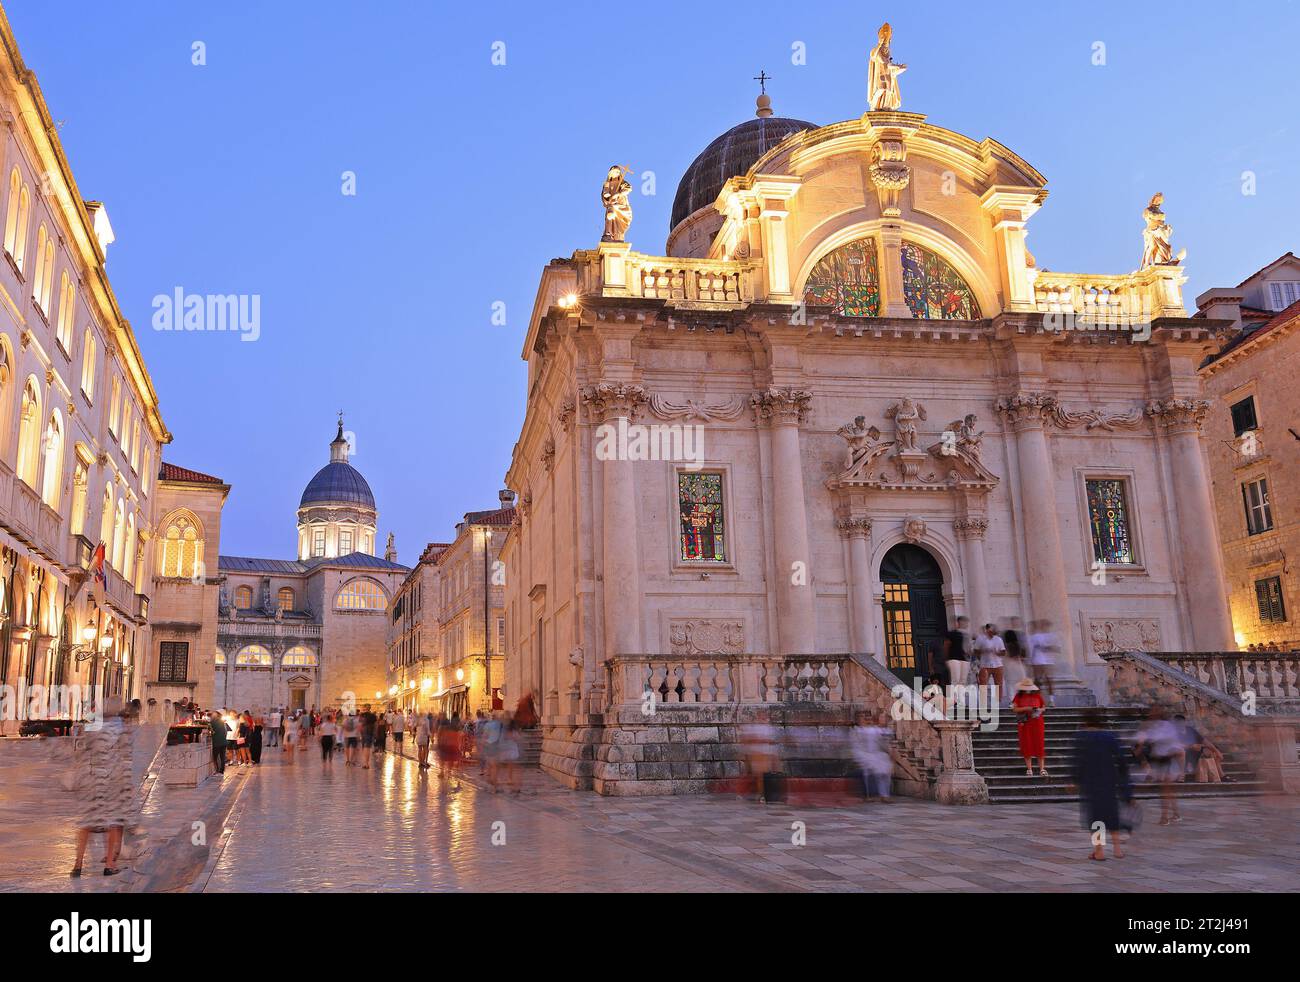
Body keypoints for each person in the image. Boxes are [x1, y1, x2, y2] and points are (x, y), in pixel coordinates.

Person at [71, 698, 143, 878]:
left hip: (92, 779)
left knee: (87, 823)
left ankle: (78, 865)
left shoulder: (94, 727)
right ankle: (110, 863)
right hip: (112, 782)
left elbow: (81, 750)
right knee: (114, 823)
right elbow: (125, 758)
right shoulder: (121, 729)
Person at [1073, 707, 1133, 861]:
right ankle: (1117, 849)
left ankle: (1099, 851)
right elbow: (1121, 760)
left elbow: (1078, 761)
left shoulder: (1082, 738)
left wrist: (1075, 779)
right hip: (1109, 779)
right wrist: (1125, 784)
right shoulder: (1109, 737)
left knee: (1096, 817)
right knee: (1111, 813)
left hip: (1091, 782)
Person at [1134, 705, 1184, 825]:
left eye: (1155, 711)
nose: (1152, 714)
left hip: (1169, 759)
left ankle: (1164, 817)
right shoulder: (1154, 726)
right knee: (1168, 789)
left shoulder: (1166, 726)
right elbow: (1144, 738)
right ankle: (1176, 814)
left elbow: (1162, 738)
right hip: (1159, 760)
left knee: (1165, 789)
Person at [849, 714, 893, 802]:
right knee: (868, 776)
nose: (866, 721)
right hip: (865, 756)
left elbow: (885, 736)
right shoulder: (857, 731)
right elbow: (856, 744)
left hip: (877, 756)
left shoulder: (875, 730)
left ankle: (884, 795)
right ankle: (868, 796)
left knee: (883, 775)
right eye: (864, 720)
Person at [1010, 678, 1047, 777]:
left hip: (1037, 721)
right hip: (1025, 722)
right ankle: (1029, 768)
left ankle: (1042, 768)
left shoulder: (1038, 696)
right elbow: (1014, 708)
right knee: (1027, 744)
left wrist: (1039, 710)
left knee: (1039, 744)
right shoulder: (1018, 696)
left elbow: (1044, 707)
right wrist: (1026, 708)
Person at [1027, 620, 1059, 707]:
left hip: (1048, 662)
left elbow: (1057, 648)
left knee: (1049, 681)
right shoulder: (1035, 636)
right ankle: (1037, 700)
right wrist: (1030, 661)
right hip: (1037, 661)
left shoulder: (1053, 636)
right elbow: (1031, 649)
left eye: (1046, 625)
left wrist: (1048, 648)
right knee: (1037, 681)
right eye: (1043, 625)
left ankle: (1051, 700)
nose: (1044, 627)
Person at [942, 616, 971, 713]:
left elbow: (968, 648)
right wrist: (946, 658)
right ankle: (951, 702)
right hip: (953, 658)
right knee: (955, 680)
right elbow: (946, 645)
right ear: (958, 623)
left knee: (962, 682)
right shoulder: (951, 634)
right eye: (963, 622)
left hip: (964, 659)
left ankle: (961, 702)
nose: (965, 624)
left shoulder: (967, 635)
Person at [973, 623, 1006, 705]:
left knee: (999, 683)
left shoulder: (998, 639)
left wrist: (997, 652)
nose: (992, 631)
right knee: (983, 683)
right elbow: (975, 651)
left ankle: (998, 701)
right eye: (990, 630)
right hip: (985, 664)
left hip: (997, 664)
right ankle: (983, 701)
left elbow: (1003, 652)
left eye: (993, 630)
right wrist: (984, 650)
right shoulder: (980, 639)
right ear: (986, 630)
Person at [208, 708, 227, 775]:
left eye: (214, 713)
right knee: (222, 757)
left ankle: (217, 770)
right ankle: (221, 771)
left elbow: (209, 729)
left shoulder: (213, 721)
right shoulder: (222, 722)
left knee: (215, 757)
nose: (212, 714)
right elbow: (225, 732)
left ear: (217, 715)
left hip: (217, 742)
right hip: (224, 742)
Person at [359, 704, 377, 769]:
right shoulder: (373, 716)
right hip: (370, 732)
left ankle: (365, 763)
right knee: (367, 748)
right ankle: (366, 763)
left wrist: (359, 734)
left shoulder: (362, 715)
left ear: (365, 708)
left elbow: (360, 725)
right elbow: (375, 725)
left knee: (364, 748)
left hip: (364, 732)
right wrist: (375, 734)